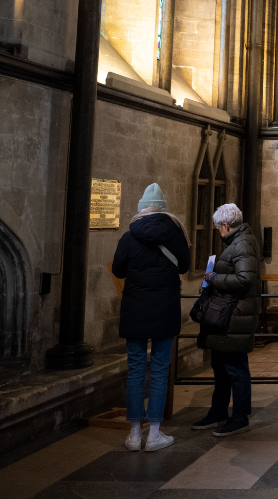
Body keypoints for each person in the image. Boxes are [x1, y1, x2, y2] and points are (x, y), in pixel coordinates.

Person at [111, 183, 191, 452]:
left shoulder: (128, 237)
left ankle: (134, 435)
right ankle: (154, 434)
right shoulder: (176, 234)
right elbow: (185, 266)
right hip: (165, 309)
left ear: (141, 209)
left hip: (135, 309)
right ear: (164, 210)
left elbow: (120, 271)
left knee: (135, 370)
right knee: (159, 371)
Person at [192, 203, 262, 437]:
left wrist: (214, 278)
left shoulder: (242, 243)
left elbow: (245, 278)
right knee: (221, 367)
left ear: (225, 225)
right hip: (227, 316)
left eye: (218, 228)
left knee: (235, 368)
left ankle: (239, 417)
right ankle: (218, 412)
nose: (218, 232)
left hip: (235, 316)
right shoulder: (238, 242)